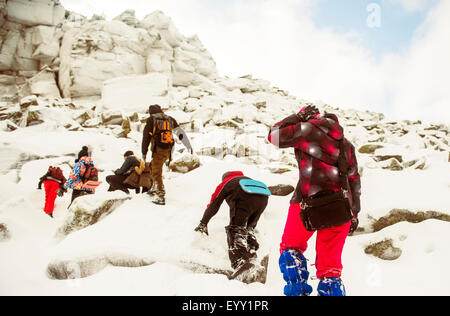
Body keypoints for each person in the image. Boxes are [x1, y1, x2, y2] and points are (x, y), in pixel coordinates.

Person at [268, 105, 361, 296]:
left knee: (291, 251)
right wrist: (354, 212)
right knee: (330, 270)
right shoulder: (347, 145)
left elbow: (274, 136)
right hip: (340, 209)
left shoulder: (307, 130)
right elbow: (354, 180)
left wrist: (296, 117)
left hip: (307, 203)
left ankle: (298, 292)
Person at [194, 171, 270, 280]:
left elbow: (214, 203)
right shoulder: (246, 179)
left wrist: (203, 222)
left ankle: (241, 262)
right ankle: (252, 255)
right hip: (263, 197)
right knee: (248, 229)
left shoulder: (227, 183)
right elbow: (255, 196)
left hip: (244, 195)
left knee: (236, 230)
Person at [141, 104, 193, 205]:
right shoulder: (170, 119)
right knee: (153, 166)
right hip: (168, 149)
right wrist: (188, 145)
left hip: (158, 149)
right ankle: (154, 187)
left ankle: (160, 195)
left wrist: (144, 153)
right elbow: (180, 133)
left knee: (156, 171)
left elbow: (146, 137)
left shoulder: (151, 120)